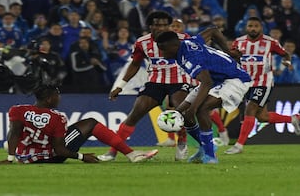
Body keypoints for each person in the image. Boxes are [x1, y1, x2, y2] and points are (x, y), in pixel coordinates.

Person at [97, 11, 231, 162]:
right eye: (156, 25)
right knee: (134, 114)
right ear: (150, 26)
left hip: (180, 81)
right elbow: (135, 64)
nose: (160, 28)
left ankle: (184, 143)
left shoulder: (183, 39)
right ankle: (112, 152)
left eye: (164, 25)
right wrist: (120, 86)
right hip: (155, 82)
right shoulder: (142, 42)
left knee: (181, 112)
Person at [0, 84, 158, 164]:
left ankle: (18, 152)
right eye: (58, 95)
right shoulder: (57, 117)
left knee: (14, 139)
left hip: (25, 157)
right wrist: (82, 157)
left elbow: (14, 133)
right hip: (50, 157)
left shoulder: (17, 109)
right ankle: (131, 154)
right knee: (91, 123)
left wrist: (10, 158)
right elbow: (59, 150)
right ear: (50, 98)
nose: (60, 98)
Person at [155, 30, 252, 163]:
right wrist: (228, 51)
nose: (161, 54)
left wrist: (193, 109)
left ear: (173, 47)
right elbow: (213, 31)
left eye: (163, 49)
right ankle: (205, 147)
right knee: (182, 113)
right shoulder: (188, 43)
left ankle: (211, 156)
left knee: (201, 109)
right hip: (218, 80)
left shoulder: (190, 57)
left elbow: (206, 82)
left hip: (234, 79)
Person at [224, 17, 300, 155]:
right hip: (246, 83)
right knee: (262, 117)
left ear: (261, 28)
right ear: (246, 27)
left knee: (250, 109)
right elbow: (232, 58)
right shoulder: (239, 42)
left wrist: (287, 63)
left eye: (256, 26)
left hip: (263, 82)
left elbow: (285, 54)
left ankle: (239, 145)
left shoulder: (270, 42)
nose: (253, 28)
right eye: (250, 26)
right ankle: (292, 119)